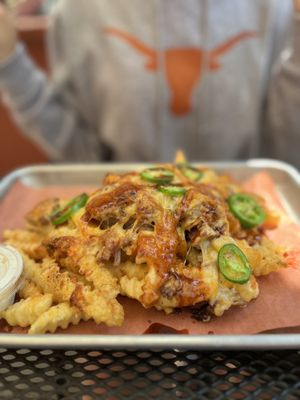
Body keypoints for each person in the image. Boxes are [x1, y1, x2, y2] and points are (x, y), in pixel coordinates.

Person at [0, 0, 299, 165]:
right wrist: (10, 63)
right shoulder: (78, 11)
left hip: (248, 225)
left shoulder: (274, 9)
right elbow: (77, 152)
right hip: (117, 230)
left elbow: (282, 153)